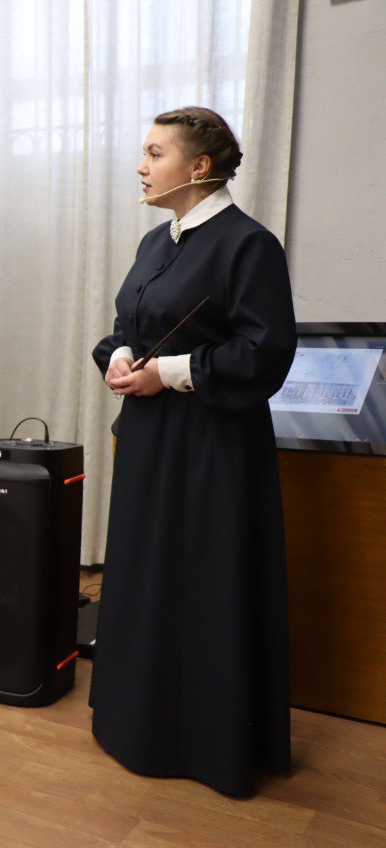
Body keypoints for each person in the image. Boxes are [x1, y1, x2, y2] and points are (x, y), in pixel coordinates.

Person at [90, 107, 296, 796]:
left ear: (198, 166)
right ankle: (136, 725)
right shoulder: (156, 241)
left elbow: (266, 352)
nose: (141, 166)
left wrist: (170, 373)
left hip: (213, 447)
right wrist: (120, 358)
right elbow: (129, 324)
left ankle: (208, 746)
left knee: (204, 583)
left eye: (155, 153)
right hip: (149, 440)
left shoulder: (249, 245)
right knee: (146, 576)